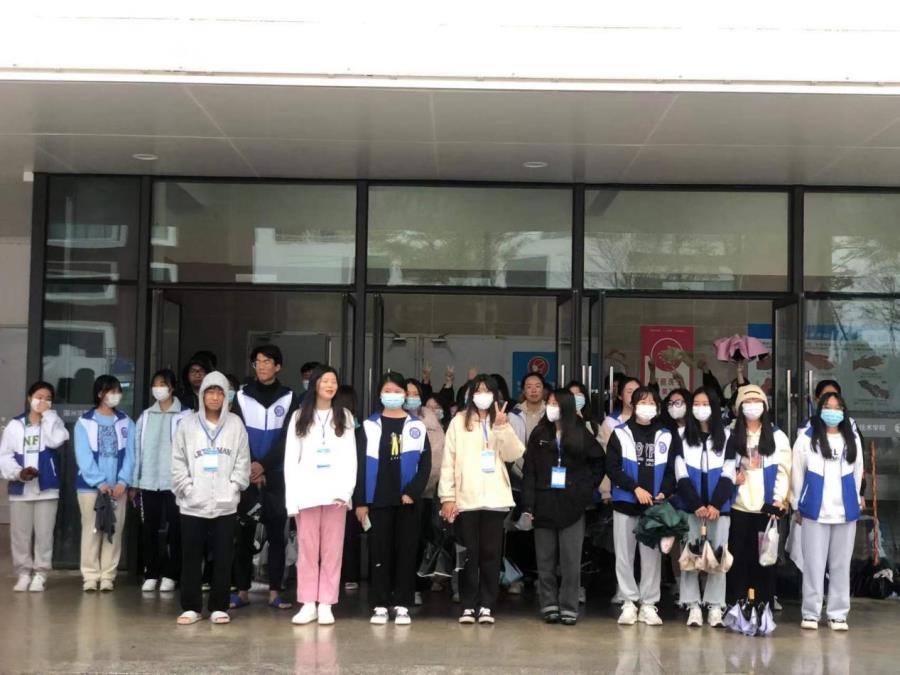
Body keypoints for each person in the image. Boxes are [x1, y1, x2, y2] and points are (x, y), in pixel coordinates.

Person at [439, 374, 525, 625]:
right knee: (468, 554)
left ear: (496, 395)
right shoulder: (458, 421)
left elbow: (513, 454)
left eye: (487, 390)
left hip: (495, 499)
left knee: (490, 554)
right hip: (466, 498)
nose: (482, 395)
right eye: (478, 390)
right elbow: (448, 461)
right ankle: (468, 605)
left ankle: (487, 605)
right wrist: (447, 496)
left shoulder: (502, 420)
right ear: (470, 395)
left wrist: (502, 427)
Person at [172, 371, 250, 625]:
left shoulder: (236, 424)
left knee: (224, 557)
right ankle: (191, 607)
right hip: (192, 504)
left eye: (220, 392)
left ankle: (219, 606)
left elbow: (243, 460)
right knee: (191, 557)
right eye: (210, 392)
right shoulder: (187, 424)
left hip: (225, 504)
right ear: (202, 395)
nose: (215, 397)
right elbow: (177, 460)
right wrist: (187, 489)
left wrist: (234, 487)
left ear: (226, 396)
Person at [354, 372, 432, 626]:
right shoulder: (369, 426)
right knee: (380, 552)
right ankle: (380, 604)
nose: (393, 395)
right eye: (388, 390)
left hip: (407, 501)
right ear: (379, 394)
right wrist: (361, 502)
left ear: (405, 396)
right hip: (377, 500)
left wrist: (413, 491)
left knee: (406, 552)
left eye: (398, 391)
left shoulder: (416, 426)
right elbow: (359, 466)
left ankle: (402, 604)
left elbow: (425, 465)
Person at [521, 389, 604, 625]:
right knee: (545, 559)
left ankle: (569, 605)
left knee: (570, 560)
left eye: (555, 403)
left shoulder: (580, 433)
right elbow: (529, 471)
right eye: (549, 403)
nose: (551, 407)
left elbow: (598, 462)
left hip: (572, 504)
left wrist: (585, 490)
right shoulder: (540, 433)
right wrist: (528, 504)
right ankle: (548, 603)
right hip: (544, 501)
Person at [284, 366, 357, 626]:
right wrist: (292, 500)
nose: (329, 385)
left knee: (332, 552)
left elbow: (351, 458)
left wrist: (346, 492)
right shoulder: (299, 416)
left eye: (333, 381)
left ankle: (326, 603)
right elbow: (290, 459)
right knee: (307, 551)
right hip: (306, 494)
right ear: (314, 384)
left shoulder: (345, 416)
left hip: (335, 495)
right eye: (325, 380)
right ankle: (307, 603)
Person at [231, 344, 300, 610]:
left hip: (277, 476)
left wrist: (264, 466)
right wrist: (252, 466)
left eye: (267, 361)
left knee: (276, 535)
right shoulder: (241, 397)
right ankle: (242, 591)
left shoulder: (289, 397)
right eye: (257, 362)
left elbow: (288, 438)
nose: (261, 366)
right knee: (244, 535)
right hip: (247, 474)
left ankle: (274, 592)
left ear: (278, 366)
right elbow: (237, 434)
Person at [606, 385, 679, 626]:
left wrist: (664, 491)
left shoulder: (666, 435)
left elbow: (672, 469)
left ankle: (648, 604)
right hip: (625, 502)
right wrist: (634, 488)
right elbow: (612, 467)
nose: (647, 406)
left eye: (651, 402)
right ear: (633, 405)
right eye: (642, 402)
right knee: (624, 556)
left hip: (654, 506)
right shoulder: (620, 433)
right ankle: (628, 601)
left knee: (651, 557)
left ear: (657, 407)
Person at [792, 391, 864, 631]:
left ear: (843, 412)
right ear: (820, 409)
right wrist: (797, 504)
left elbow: (858, 472)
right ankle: (811, 612)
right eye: (828, 407)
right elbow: (797, 473)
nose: (833, 411)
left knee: (841, 565)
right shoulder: (807, 438)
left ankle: (838, 614)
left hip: (845, 512)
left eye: (837, 407)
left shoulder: (851, 438)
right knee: (813, 565)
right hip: (815, 510)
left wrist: (855, 499)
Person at [725, 385, 791, 609]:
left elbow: (784, 470)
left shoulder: (777, 436)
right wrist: (732, 477)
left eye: (757, 401)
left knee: (764, 561)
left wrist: (779, 498)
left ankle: (763, 606)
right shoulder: (729, 433)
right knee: (737, 560)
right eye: (747, 401)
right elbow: (720, 465)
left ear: (765, 405)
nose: (752, 405)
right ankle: (737, 605)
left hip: (765, 509)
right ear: (739, 407)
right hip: (738, 507)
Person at [674, 387, 734, 628]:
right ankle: (692, 605)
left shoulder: (727, 436)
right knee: (691, 555)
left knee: (718, 556)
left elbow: (729, 472)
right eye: (696, 404)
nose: (701, 408)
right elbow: (680, 473)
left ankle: (715, 605)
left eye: (705, 403)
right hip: (692, 508)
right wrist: (696, 504)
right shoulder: (681, 436)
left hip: (719, 509)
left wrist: (716, 504)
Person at [0, 381, 69, 592]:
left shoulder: (54, 422)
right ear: (29, 398)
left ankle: (40, 573)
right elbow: (5, 456)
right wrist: (18, 473)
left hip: (47, 488)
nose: (43, 401)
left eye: (48, 398)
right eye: (39, 397)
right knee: (20, 535)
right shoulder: (15, 425)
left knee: (44, 534)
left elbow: (54, 441)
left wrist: (47, 417)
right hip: (20, 489)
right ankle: (23, 573)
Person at [74, 375, 136, 592]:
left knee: (114, 532)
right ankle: (90, 576)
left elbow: (131, 456)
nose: (115, 395)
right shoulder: (84, 422)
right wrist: (100, 482)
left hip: (118, 489)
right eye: (111, 391)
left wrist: (123, 482)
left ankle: (108, 575)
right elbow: (83, 456)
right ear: (100, 394)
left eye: (118, 391)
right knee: (92, 530)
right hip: (90, 488)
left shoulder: (126, 422)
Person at [133, 369, 190, 592]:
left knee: (176, 529)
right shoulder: (146, 416)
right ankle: (151, 572)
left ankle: (171, 574)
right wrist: (135, 481)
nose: (158, 388)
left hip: (175, 482)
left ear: (172, 387)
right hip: (149, 480)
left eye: (163, 384)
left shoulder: (185, 415)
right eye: (155, 384)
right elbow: (137, 449)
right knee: (149, 528)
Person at [404, 378, 446, 606]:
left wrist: (421, 486)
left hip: (424, 493)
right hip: (395, 493)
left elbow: (437, 457)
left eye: (415, 394)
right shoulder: (387, 417)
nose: (411, 398)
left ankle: (416, 586)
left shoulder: (429, 419)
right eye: (407, 393)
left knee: (419, 540)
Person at [334, 385, 365, 592]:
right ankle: (350, 576)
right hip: (354, 486)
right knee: (350, 534)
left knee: (336, 535)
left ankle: (336, 575)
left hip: (337, 487)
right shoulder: (361, 428)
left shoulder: (351, 428)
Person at [599, 376, 640, 450]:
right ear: (620, 396)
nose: (634, 395)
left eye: (637, 392)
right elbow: (604, 451)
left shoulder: (648, 419)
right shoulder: (610, 422)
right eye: (629, 392)